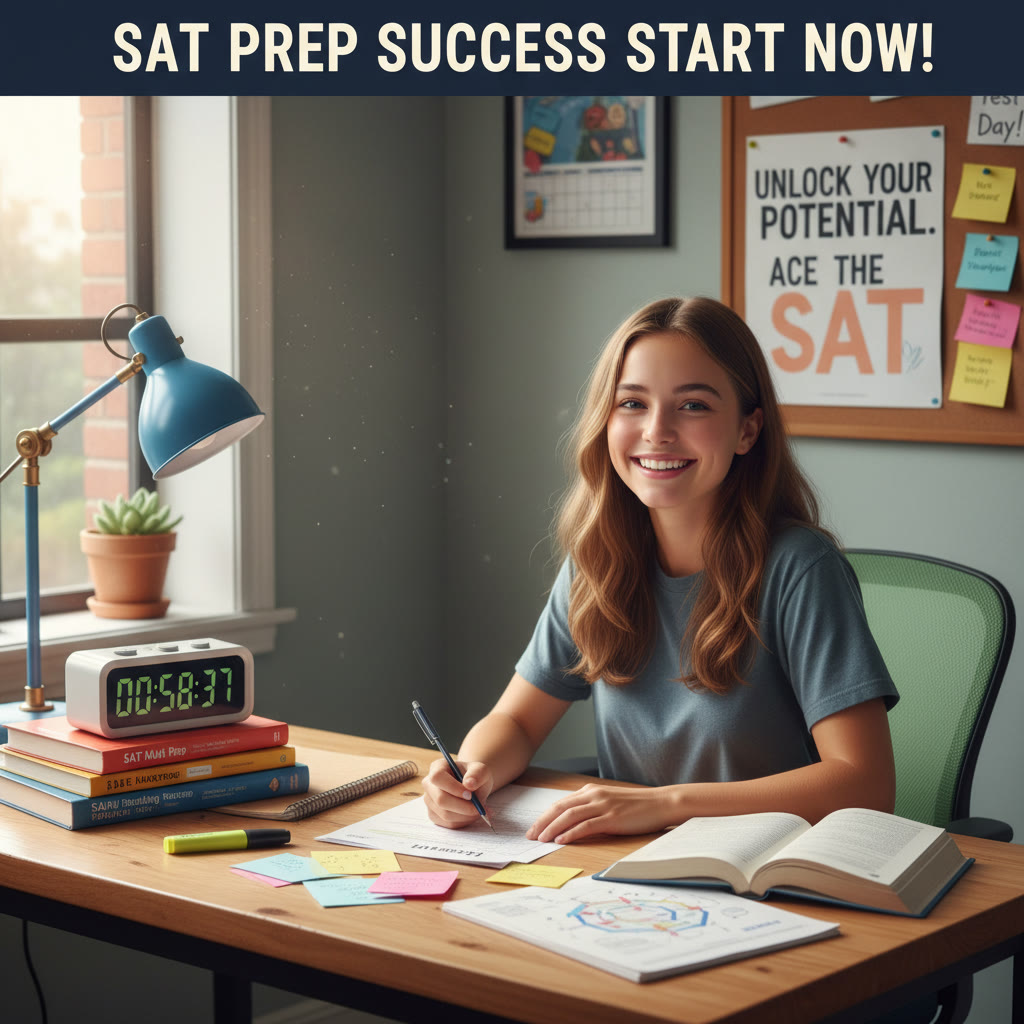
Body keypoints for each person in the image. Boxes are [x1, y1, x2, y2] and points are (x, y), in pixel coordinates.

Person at [423, 296, 899, 845]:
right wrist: (468, 772)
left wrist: (665, 805)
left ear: (747, 431)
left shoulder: (800, 568)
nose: (657, 430)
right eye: (631, 403)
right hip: (630, 868)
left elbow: (865, 784)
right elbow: (519, 722)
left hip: (763, 868)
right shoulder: (598, 560)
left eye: (693, 405)